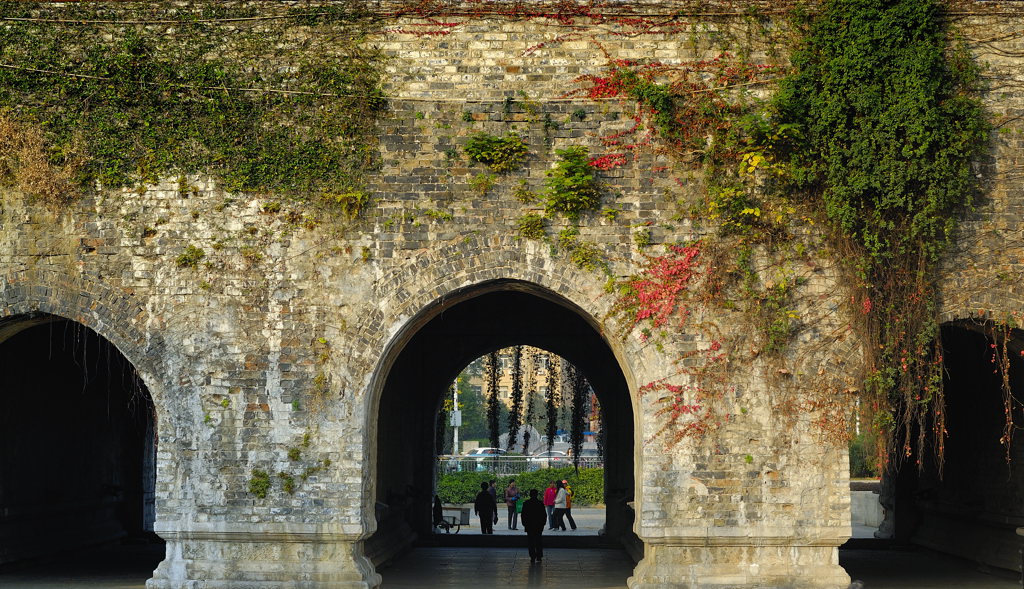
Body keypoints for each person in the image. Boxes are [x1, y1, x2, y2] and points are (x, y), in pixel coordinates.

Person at [520, 488, 547, 563]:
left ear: (530, 495)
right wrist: (543, 524)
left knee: (531, 541)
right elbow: (544, 515)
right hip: (538, 525)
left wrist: (524, 524)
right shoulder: (540, 503)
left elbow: (523, 515)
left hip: (529, 525)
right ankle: (539, 556)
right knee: (538, 541)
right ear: (537, 494)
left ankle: (532, 556)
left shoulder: (526, 503)